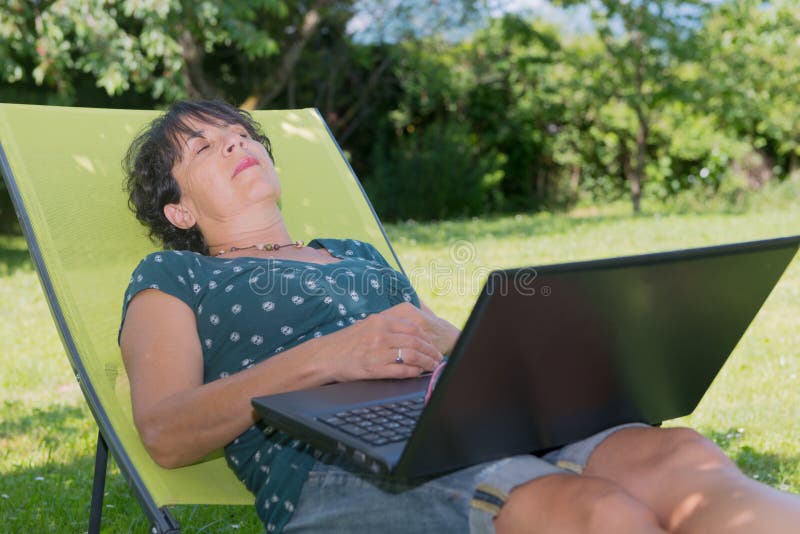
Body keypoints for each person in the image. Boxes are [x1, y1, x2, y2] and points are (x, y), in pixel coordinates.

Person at [119, 99, 800, 533]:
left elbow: (440, 343)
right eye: (205, 148)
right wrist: (329, 356)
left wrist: (487, 346)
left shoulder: (352, 253)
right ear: (178, 211)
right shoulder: (177, 276)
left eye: (241, 135)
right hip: (340, 467)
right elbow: (165, 431)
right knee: (593, 512)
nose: (236, 143)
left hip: (473, 414)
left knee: (679, 457)